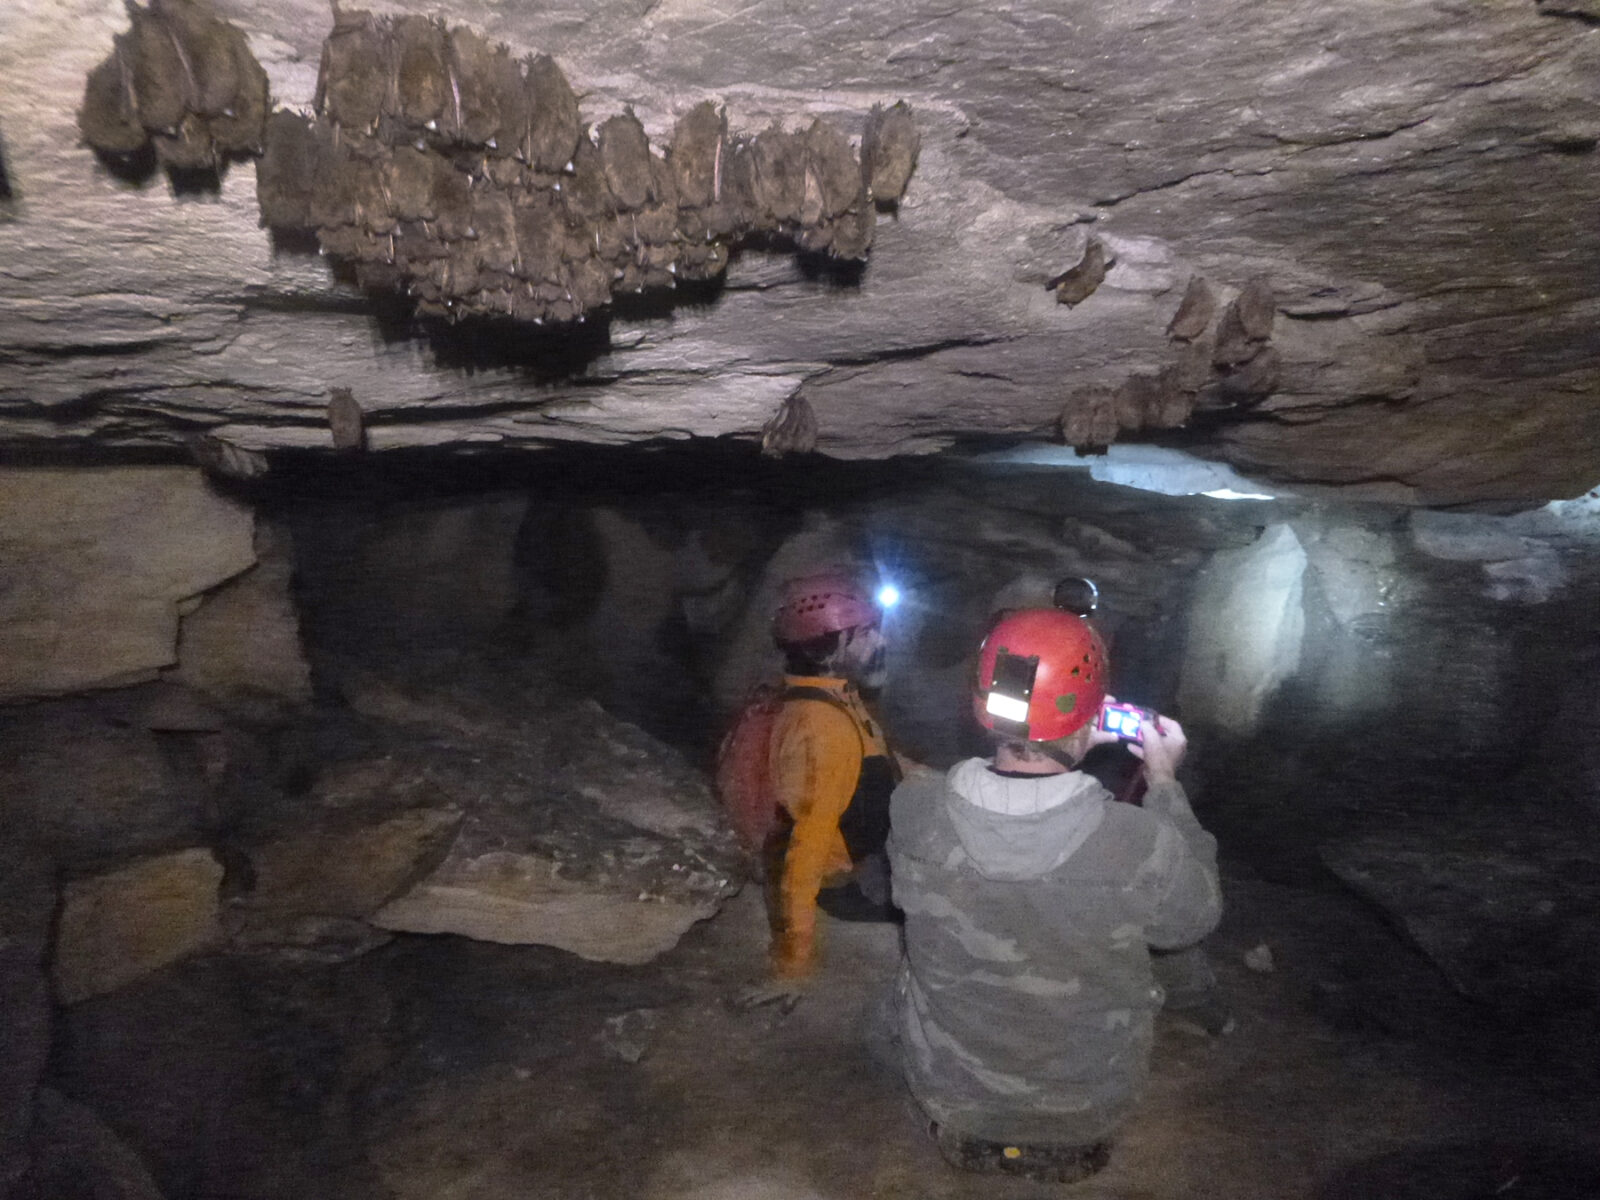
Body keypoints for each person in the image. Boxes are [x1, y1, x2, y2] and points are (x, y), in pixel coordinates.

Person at [881, 605, 1222, 1181]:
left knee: (892, 997)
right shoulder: (1137, 844)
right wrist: (1164, 784)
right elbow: (1193, 920)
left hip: (952, 1099)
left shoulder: (913, 809)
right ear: (1091, 721)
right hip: (1086, 1110)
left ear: (984, 708)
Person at [737, 569, 902, 1009]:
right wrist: (793, 964)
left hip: (865, 849)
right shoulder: (822, 729)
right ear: (832, 649)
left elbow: (881, 760)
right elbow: (804, 850)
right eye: (866, 634)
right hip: (849, 881)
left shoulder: (832, 696)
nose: (880, 643)